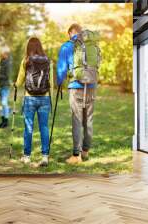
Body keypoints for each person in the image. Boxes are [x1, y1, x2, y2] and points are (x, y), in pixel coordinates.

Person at [57, 23, 96, 164]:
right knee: (88, 120)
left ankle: (76, 155)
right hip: (91, 85)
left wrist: (59, 82)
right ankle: (85, 151)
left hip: (76, 86)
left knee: (77, 120)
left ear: (70, 33)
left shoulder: (67, 46)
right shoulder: (91, 45)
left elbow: (61, 68)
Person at [15, 37, 54, 167]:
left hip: (30, 97)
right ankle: (45, 157)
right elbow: (51, 82)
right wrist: (51, 98)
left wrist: (15, 85)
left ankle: (26, 156)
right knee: (44, 127)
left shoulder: (25, 61)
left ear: (29, 48)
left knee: (28, 127)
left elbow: (20, 81)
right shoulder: (48, 61)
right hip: (44, 97)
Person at [0, 47, 12, 128]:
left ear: (5, 54)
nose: (0, 55)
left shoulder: (8, 63)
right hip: (1, 85)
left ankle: (6, 121)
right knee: (3, 104)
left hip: (5, 85)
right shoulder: (2, 62)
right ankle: (3, 120)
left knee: (4, 103)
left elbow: (7, 76)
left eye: (1, 53)